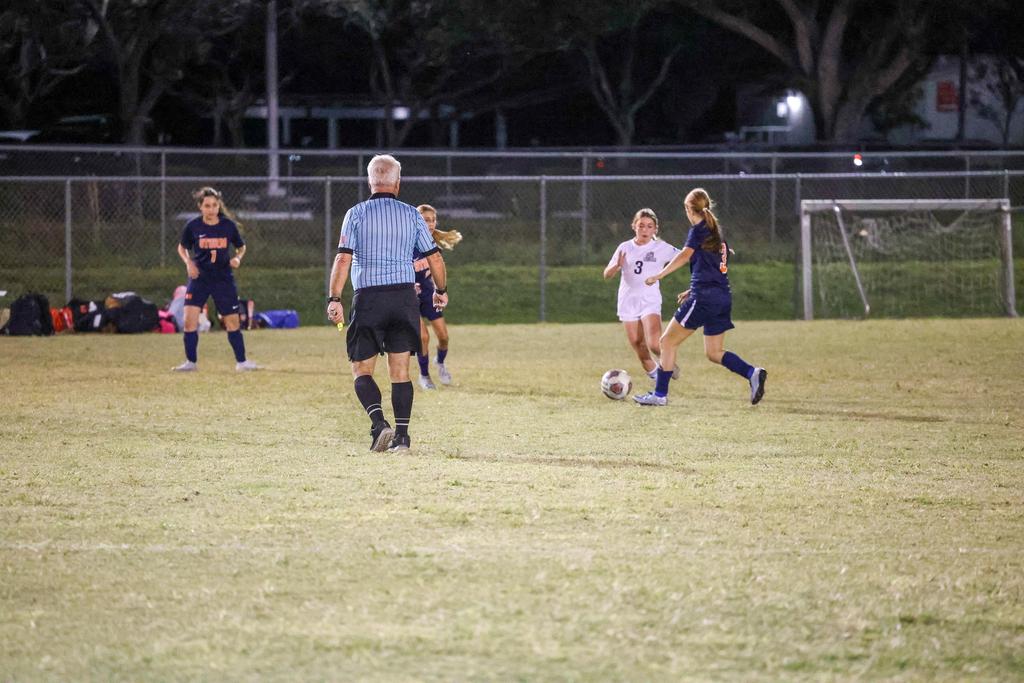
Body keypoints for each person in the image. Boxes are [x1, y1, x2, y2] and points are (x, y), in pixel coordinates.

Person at [327, 155, 448, 452]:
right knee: (400, 371)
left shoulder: (356, 213)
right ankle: (402, 438)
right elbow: (434, 257)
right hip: (404, 298)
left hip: (369, 298)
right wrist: (441, 290)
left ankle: (379, 424)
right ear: (398, 182)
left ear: (370, 181)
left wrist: (334, 298)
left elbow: (343, 258)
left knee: (361, 369)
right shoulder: (411, 215)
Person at [633, 188, 766, 406]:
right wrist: (693, 288)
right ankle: (752, 373)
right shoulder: (716, 232)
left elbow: (685, 255)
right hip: (722, 296)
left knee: (667, 342)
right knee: (714, 352)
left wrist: (659, 275)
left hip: (704, 297)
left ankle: (659, 395)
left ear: (688, 209)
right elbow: (718, 262)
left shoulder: (698, 230)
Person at [172, 186, 258, 372]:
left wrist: (237, 258)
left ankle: (242, 362)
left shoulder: (227, 226)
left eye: (214, 205)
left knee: (232, 322)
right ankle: (190, 363)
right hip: (200, 278)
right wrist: (189, 263)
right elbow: (182, 247)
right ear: (200, 207)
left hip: (222, 279)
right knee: (189, 320)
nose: (211, 209)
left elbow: (241, 247)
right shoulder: (193, 226)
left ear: (219, 206)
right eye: (207, 206)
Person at [603, 208, 680, 381]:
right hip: (628, 301)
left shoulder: (661, 248)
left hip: (649, 300)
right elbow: (606, 274)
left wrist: (714, 252)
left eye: (649, 226)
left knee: (654, 344)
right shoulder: (624, 247)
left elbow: (686, 255)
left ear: (655, 229)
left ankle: (669, 362)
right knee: (639, 345)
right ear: (634, 226)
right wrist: (616, 266)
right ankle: (658, 380)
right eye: (641, 226)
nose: (645, 230)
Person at [412, 203, 462, 390]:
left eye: (433, 220)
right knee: (423, 337)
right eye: (426, 220)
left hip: (428, 296)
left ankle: (440, 363)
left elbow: (437, 268)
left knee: (443, 337)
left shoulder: (433, 244)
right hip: (409, 298)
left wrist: (438, 290)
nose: (431, 224)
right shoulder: (406, 244)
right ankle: (424, 376)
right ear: (417, 222)